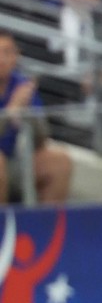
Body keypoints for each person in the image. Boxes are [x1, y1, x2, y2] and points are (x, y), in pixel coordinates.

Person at [0, 32, 72, 204]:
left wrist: (28, 116)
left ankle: (46, 227)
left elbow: (42, 139)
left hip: (17, 159)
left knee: (59, 163)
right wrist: (11, 111)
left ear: (16, 57)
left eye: (7, 53)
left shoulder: (22, 85)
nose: (1, 59)